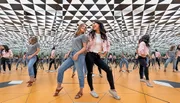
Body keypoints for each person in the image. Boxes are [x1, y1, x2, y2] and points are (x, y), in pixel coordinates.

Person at [85, 20, 120, 100]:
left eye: (95, 23)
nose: (93, 25)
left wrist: (104, 53)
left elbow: (108, 46)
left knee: (109, 70)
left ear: (99, 25)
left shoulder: (104, 36)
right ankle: (92, 90)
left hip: (97, 56)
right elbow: (85, 44)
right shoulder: (90, 34)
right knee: (90, 73)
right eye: (92, 24)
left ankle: (112, 89)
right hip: (89, 54)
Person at [54, 24, 87, 99]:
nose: (84, 28)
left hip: (79, 55)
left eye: (85, 27)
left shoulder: (84, 36)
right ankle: (59, 87)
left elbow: (85, 48)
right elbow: (73, 47)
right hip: (72, 55)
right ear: (79, 27)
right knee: (60, 69)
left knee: (80, 74)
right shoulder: (75, 36)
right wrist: (68, 52)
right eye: (83, 26)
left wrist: (77, 54)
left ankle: (81, 91)